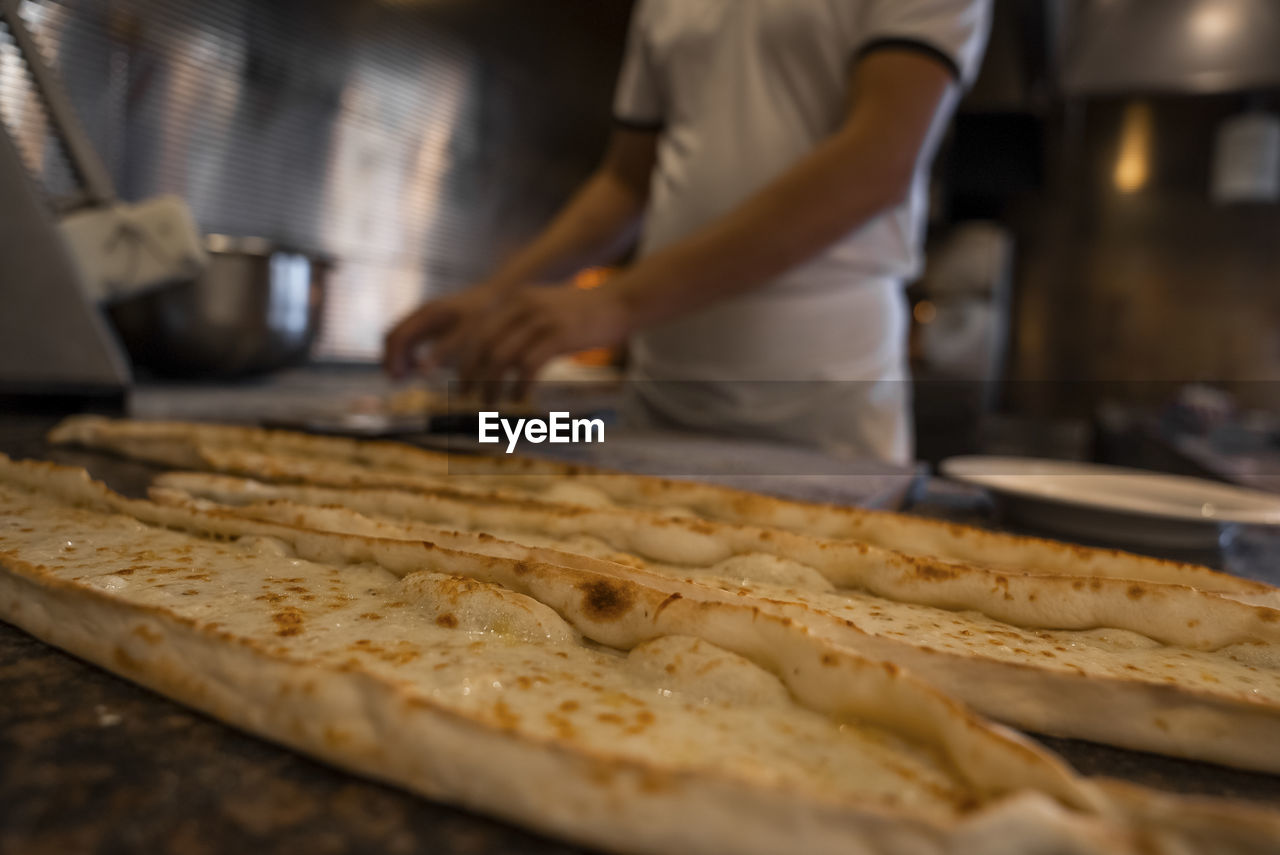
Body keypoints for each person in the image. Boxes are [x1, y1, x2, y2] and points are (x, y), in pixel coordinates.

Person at [384, 0, 991, 464]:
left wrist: (619, 302)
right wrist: (497, 300)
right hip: (662, 397)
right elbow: (627, 181)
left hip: (817, 408)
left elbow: (876, 164)